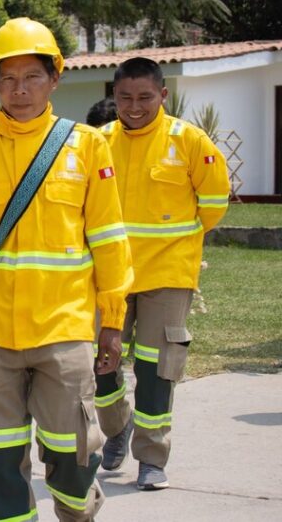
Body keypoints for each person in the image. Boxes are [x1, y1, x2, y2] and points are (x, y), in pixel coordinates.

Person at [0, 17, 133, 521]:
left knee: (73, 457)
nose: (19, 90)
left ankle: (77, 512)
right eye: (8, 78)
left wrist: (111, 321)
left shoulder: (86, 146)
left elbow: (108, 239)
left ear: (54, 79)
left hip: (63, 331)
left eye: (33, 77)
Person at [94, 57, 229, 490]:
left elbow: (213, 205)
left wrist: (176, 245)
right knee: (99, 362)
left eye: (145, 97)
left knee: (156, 369)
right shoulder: (96, 142)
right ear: (113, 96)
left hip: (168, 275)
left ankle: (152, 458)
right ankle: (117, 429)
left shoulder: (190, 141)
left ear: (163, 96)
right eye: (125, 98)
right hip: (108, 276)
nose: (134, 107)